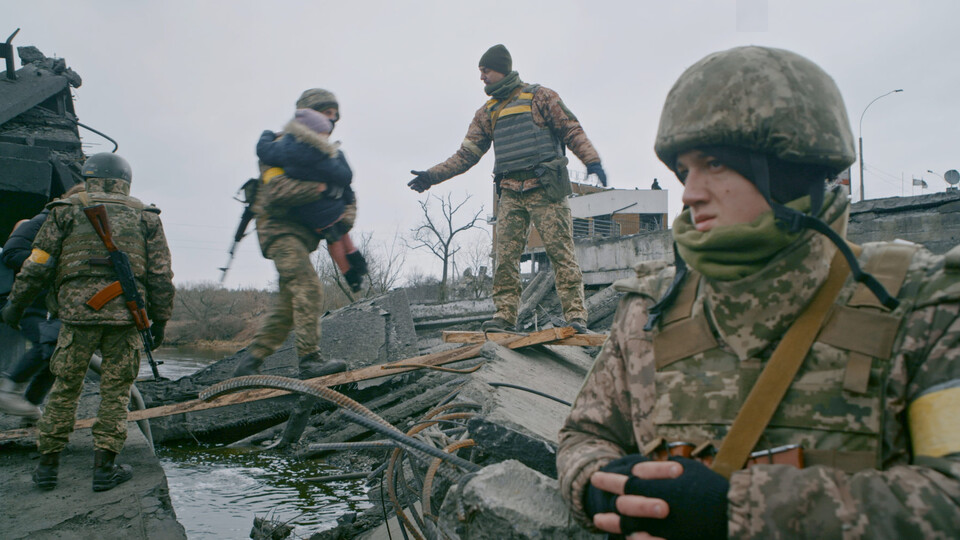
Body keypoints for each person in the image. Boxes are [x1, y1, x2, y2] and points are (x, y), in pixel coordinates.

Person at [557, 46, 960, 539]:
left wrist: (739, 512)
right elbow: (585, 435)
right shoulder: (650, 308)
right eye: (685, 170)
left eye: (714, 164)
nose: (689, 192)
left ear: (789, 169)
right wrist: (600, 487)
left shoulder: (921, 304)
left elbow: (951, 498)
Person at [1, 153, 175, 492]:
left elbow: (37, 263)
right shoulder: (147, 217)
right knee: (116, 394)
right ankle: (104, 470)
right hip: (125, 319)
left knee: (64, 390)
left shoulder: (63, 211)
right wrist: (160, 322)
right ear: (126, 182)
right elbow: (160, 276)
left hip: (75, 317)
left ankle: (47, 468)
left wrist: (16, 305)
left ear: (89, 177)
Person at [407, 44, 605, 334]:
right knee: (505, 259)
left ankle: (576, 316)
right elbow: (466, 155)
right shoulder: (488, 112)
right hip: (511, 192)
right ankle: (504, 316)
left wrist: (591, 160)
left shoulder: (540, 96)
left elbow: (571, 129)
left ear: (501, 69)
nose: (482, 77)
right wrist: (431, 176)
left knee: (561, 254)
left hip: (546, 189)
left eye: (485, 70)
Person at [232, 88, 351, 379]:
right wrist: (323, 188)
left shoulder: (330, 157)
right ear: (308, 114)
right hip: (280, 232)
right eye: (326, 113)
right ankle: (310, 360)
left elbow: (348, 198)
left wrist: (343, 219)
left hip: (304, 237)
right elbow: (278, 191)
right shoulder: (278, 149)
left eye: (335, 116)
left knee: (286, 309)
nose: (331, 121)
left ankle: (249, 363)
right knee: (308, 287)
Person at [256, 107, 368, 293]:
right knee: (340, 238)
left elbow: (264, 150)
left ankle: (352, 274)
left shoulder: (285, 149)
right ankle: (355, 269)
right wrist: (337, 161)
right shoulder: (321, 154)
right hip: (327, 210)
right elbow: (344, 176)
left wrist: (268, 134)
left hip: (312, 213)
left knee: (336, 239)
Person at [0, 185, 84, 419]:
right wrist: (51, 264)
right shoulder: (41, 222)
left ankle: (31, 405)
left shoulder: (73, 227)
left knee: (60, 352)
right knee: (50, 345)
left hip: (49, 304)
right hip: (25, 299)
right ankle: (8, 391)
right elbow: (11, 252)